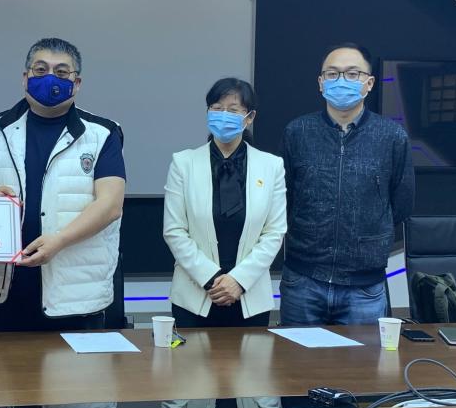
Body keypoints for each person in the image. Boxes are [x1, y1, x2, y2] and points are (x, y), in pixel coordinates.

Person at [0, 38, 126, 332]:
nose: (50, 78)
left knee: (77, 365)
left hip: (76, 293)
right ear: (25, 77)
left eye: (61, 72)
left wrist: (59, 241)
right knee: (4, 364)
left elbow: (110, 205)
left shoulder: (102, 133)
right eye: (41, 70)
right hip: (7, 289)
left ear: (76, 83)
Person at [280, 43, 414, 326]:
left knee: (362, 357)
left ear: (369, 83)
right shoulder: (297, 132)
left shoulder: (392, 136)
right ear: (321, 82)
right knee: (295, 356)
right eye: (332, 74)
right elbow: (285, 198)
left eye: (352, 74)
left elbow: (401, 204)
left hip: (364, 287)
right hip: (303, 281)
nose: (341, 81)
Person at [163, 78, 287, 329]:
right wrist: (211, 278)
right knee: (190, 357)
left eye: (232, 110)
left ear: (249, 117)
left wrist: (238, 280)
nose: (223, 116)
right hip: (195, 295)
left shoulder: (271, 166)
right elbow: (174, 231)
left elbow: (274, 232)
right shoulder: (183, 164)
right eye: (217, 108)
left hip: (250, 296)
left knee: (252, 356)